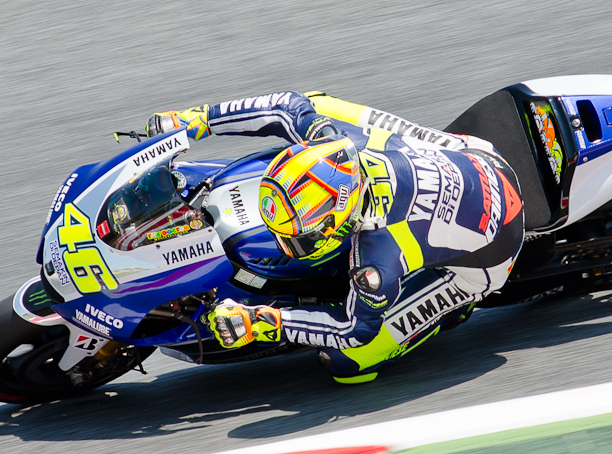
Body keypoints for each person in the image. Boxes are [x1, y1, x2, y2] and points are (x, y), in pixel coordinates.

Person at [145, 91, 524, 383]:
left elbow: (353, 330)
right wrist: (198, 120)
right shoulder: (333, 143)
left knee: (348, 363)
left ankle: (455, 310)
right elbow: (287, 106)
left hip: (491, 248)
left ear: (340, 223)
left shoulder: (377, 260)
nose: (287, 244)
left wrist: (266, 319)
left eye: (300, 238)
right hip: (473, 155)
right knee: (314, 102)